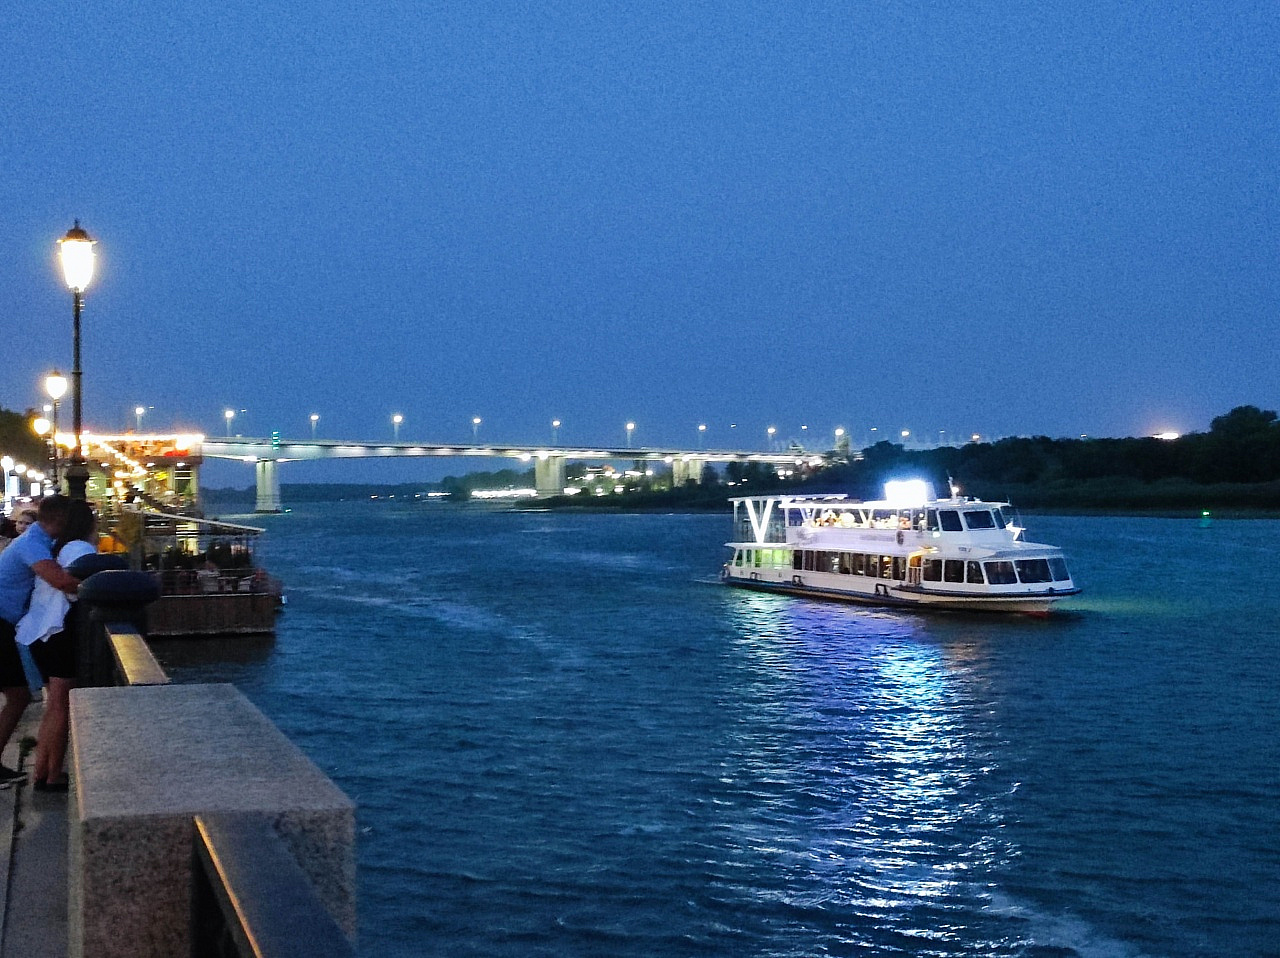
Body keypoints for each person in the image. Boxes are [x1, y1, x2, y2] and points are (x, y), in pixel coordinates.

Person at [0, 496, 80, 786]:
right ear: (61, 519)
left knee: (18, 695)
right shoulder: (32, 544)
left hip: (6, 623)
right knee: (18, 695)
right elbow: (60, 581)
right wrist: (102, 583)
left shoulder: (38, 541)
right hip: (1, 621)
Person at [18, 500, 97, 791]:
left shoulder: (58, 547)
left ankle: (42, 770)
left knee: (54, 706)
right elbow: (77, 587)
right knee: (61, 706)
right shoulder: (80, 548)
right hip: (58, 632)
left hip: (40, 633)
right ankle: (52, 775)